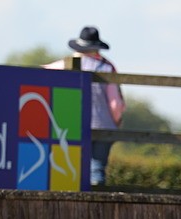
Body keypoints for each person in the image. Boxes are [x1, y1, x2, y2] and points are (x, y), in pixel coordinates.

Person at [52, 26, 126, 187]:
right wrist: (116, 122)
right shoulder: (107, 68)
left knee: (69, 168)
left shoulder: (63, 64)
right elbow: (115, 105)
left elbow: (38, 75)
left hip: (69, 126)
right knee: (97, 170)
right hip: (102, 124)